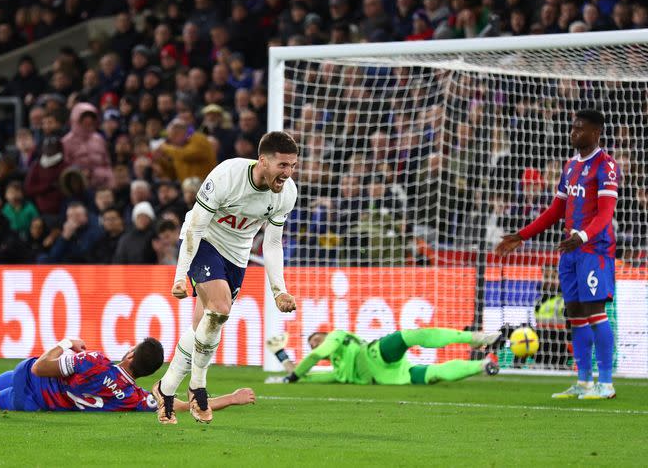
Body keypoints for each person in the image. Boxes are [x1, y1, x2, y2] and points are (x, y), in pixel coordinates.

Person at [152, 131, 298, 425]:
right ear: (263, 161)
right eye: (282, 165)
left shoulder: (287, 193)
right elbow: (195, 227)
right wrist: (180, 277)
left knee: (201, 327)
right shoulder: (227, 176)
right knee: (220, 309)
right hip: (205, 242)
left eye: (293, 165)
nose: (288, 173)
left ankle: (165, 391)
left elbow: (271, 244)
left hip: (236, 258)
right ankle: (198, 389)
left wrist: (279, 290)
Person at [495, 109, 619, 400]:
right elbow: (556, 210)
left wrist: (583, 236)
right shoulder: (570, 166)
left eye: (580, 129)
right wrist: (522, 235)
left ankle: (607, 383)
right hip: (571, 250)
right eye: (572, 127)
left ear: (596, 132)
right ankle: (584, 382)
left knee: (595, 313)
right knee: (574, 315)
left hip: (594, 250)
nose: (573, 132)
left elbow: (605, 214)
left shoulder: (606, 165)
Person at [0, 337, 255, 414]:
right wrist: (232, 399)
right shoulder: (135, 397)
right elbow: (180, 406)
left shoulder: (96, 362)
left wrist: (67, 343)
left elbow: (39, 367)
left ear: (132, 354)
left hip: (29, 384)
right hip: (42, 400)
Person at [265, 328, 501, 385]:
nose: (314, 343)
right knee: (435, 374)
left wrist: (293, 375)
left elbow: (316, 356)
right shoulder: (338, 372)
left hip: (376, 355)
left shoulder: (336, 336)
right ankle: (483, 364)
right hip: (392, 376)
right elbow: (304, 377)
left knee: (410, 335)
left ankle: (477, 338)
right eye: (311, 343)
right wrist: (281, 355)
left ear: (325, 334)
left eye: (316, 338)